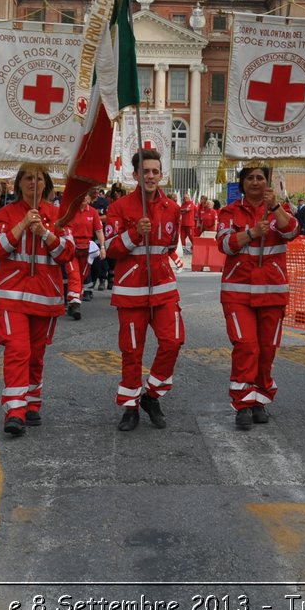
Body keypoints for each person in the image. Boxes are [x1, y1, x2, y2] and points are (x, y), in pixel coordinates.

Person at [0, 163, 76, 435]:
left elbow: (68, 253)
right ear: (18, 184)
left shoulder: (58, 215)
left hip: (46, 298)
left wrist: (45, 234)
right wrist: (23, 224)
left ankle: (31, 404)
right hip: (11, 298)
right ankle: (14, 411)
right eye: (28, 177)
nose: (33, 182)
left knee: (36, 356)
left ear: (47, 184)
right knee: (18, 351)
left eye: (39, 178)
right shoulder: (5, 213)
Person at [102, 148, 184, 432]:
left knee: (173, 341)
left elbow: (171, 245)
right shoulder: (120, 207)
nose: (150, 176)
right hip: (131, 290)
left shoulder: (172, 208)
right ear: (135, 175)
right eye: (145, 171)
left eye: (155, 171)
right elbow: (111, 249)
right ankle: (130, 407)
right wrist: (136, 231)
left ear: (161, 175)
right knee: (132, 351)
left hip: (164, 286)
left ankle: (151, 396)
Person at [216, 164, 299, 430]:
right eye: (250, 178)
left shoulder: (278, 210)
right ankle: (242, 403)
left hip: (272, 292)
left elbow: (292, 232)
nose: (255, 182)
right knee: (246, 345)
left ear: (268, 182)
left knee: (266, 349)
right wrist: (252, 233)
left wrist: (275, 209)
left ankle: (259, 399)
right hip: (237, 293)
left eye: (260, 178)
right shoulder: (229, 212)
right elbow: (225, 244)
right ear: (242, 183)